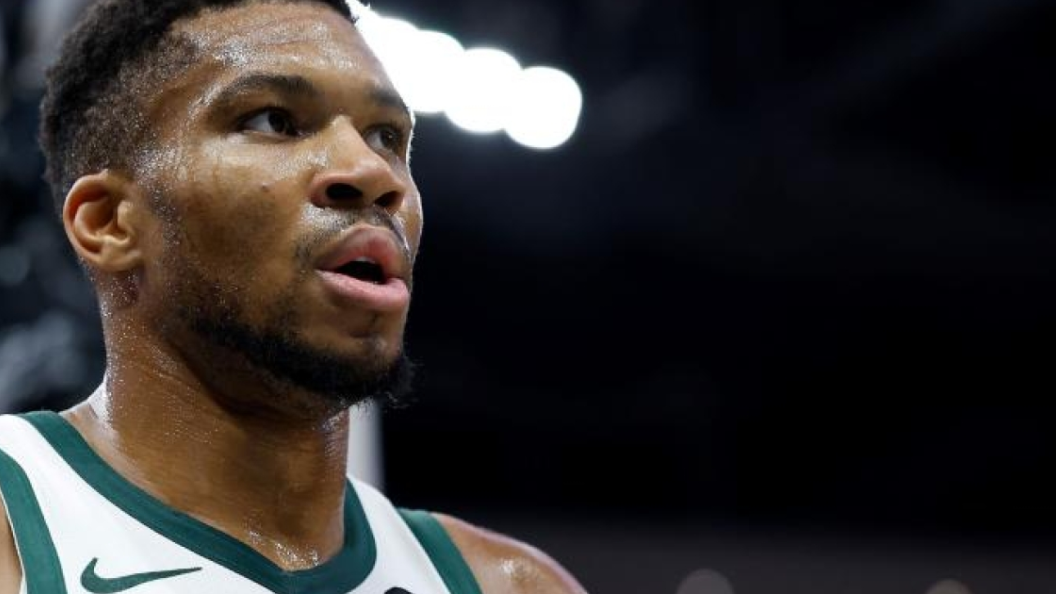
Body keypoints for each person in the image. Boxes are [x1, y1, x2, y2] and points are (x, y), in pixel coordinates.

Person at [0, 0, 587, 592]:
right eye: (274, 121)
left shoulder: (511, 584)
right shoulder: (14, 526)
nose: (373, 173)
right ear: (109, 223)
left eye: (387, 137)